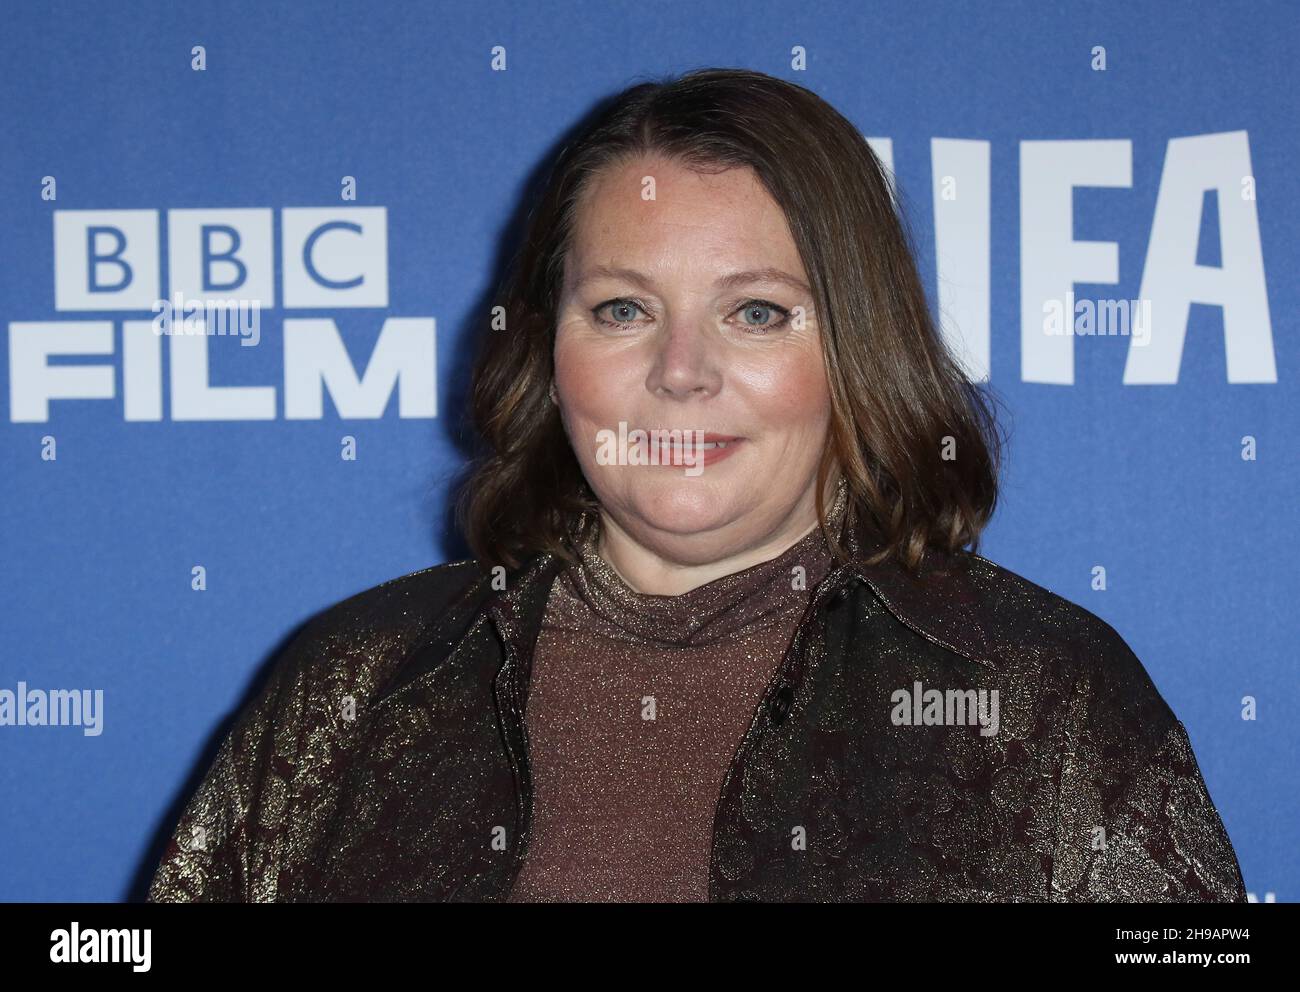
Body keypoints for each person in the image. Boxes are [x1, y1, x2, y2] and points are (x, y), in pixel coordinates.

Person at [146, 67, 1246, 903]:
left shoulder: (1043, 698)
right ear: (547, 350)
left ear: (858, 347)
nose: (679, 371)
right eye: (622, 309)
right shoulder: (348, 690)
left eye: (754, 311)